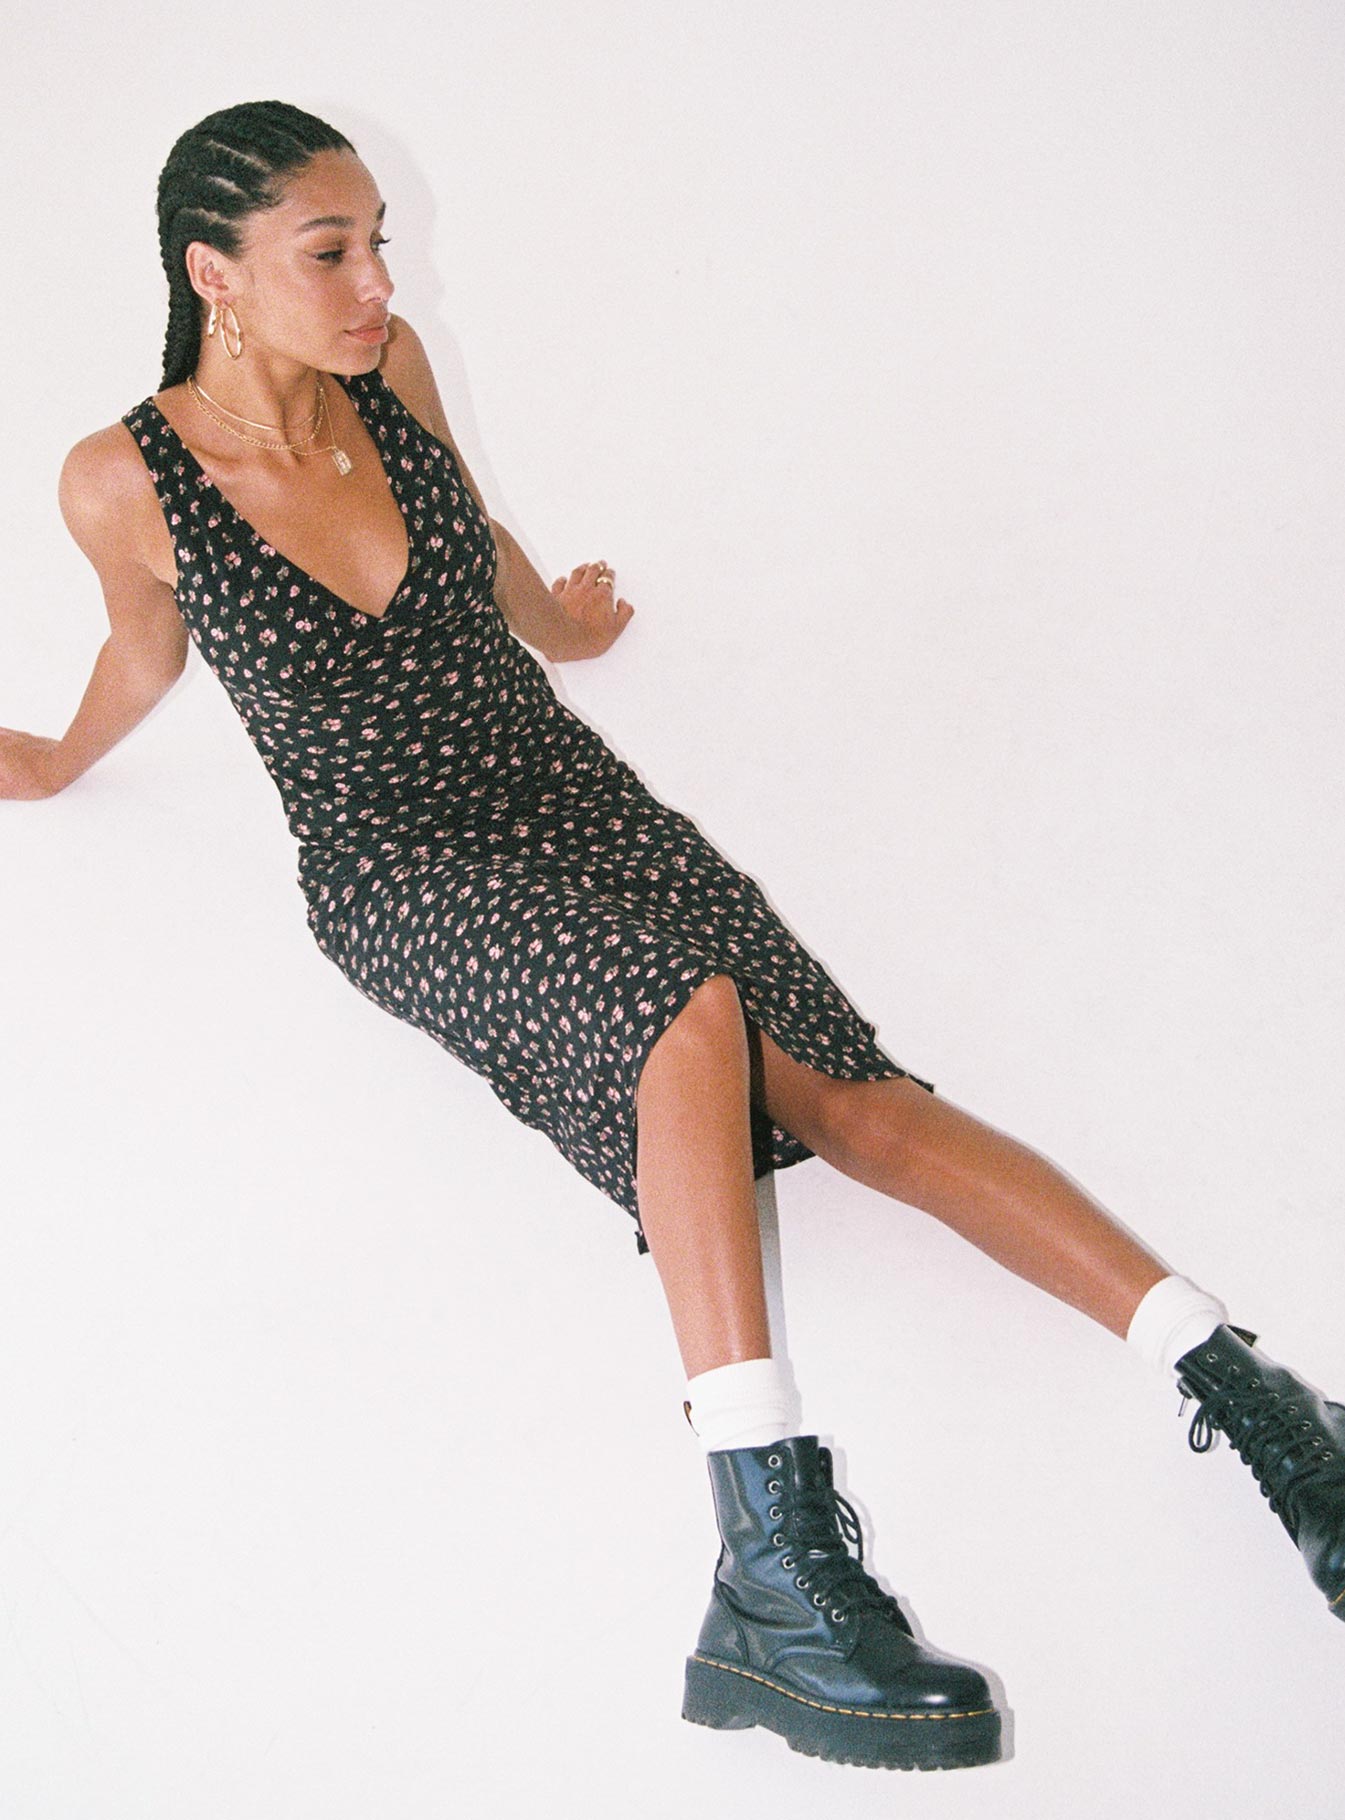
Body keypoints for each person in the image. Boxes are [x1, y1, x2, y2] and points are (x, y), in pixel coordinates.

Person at [1, 98, 1339, 1773]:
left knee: (862, 1105)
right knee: (680, 1009)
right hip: (398, 864)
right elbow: (144, 647)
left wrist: (562, 626)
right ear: (214, 273)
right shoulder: (121, 478)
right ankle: (766, 1570)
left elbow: (470, 533)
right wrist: (54, 761)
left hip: (570, 797)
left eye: (378, 244)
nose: (378, 282)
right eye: (329, 252)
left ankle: (1268, 1410)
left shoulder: (385, 372)